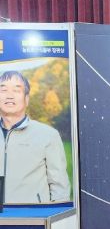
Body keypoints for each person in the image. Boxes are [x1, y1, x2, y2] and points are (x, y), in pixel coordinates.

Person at [0, 70, 70, 203]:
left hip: (33, 215)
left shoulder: (48, 135)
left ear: (26, 99)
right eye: (3, 90)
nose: (9, 96)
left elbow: (60, 187)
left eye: (16, 90)